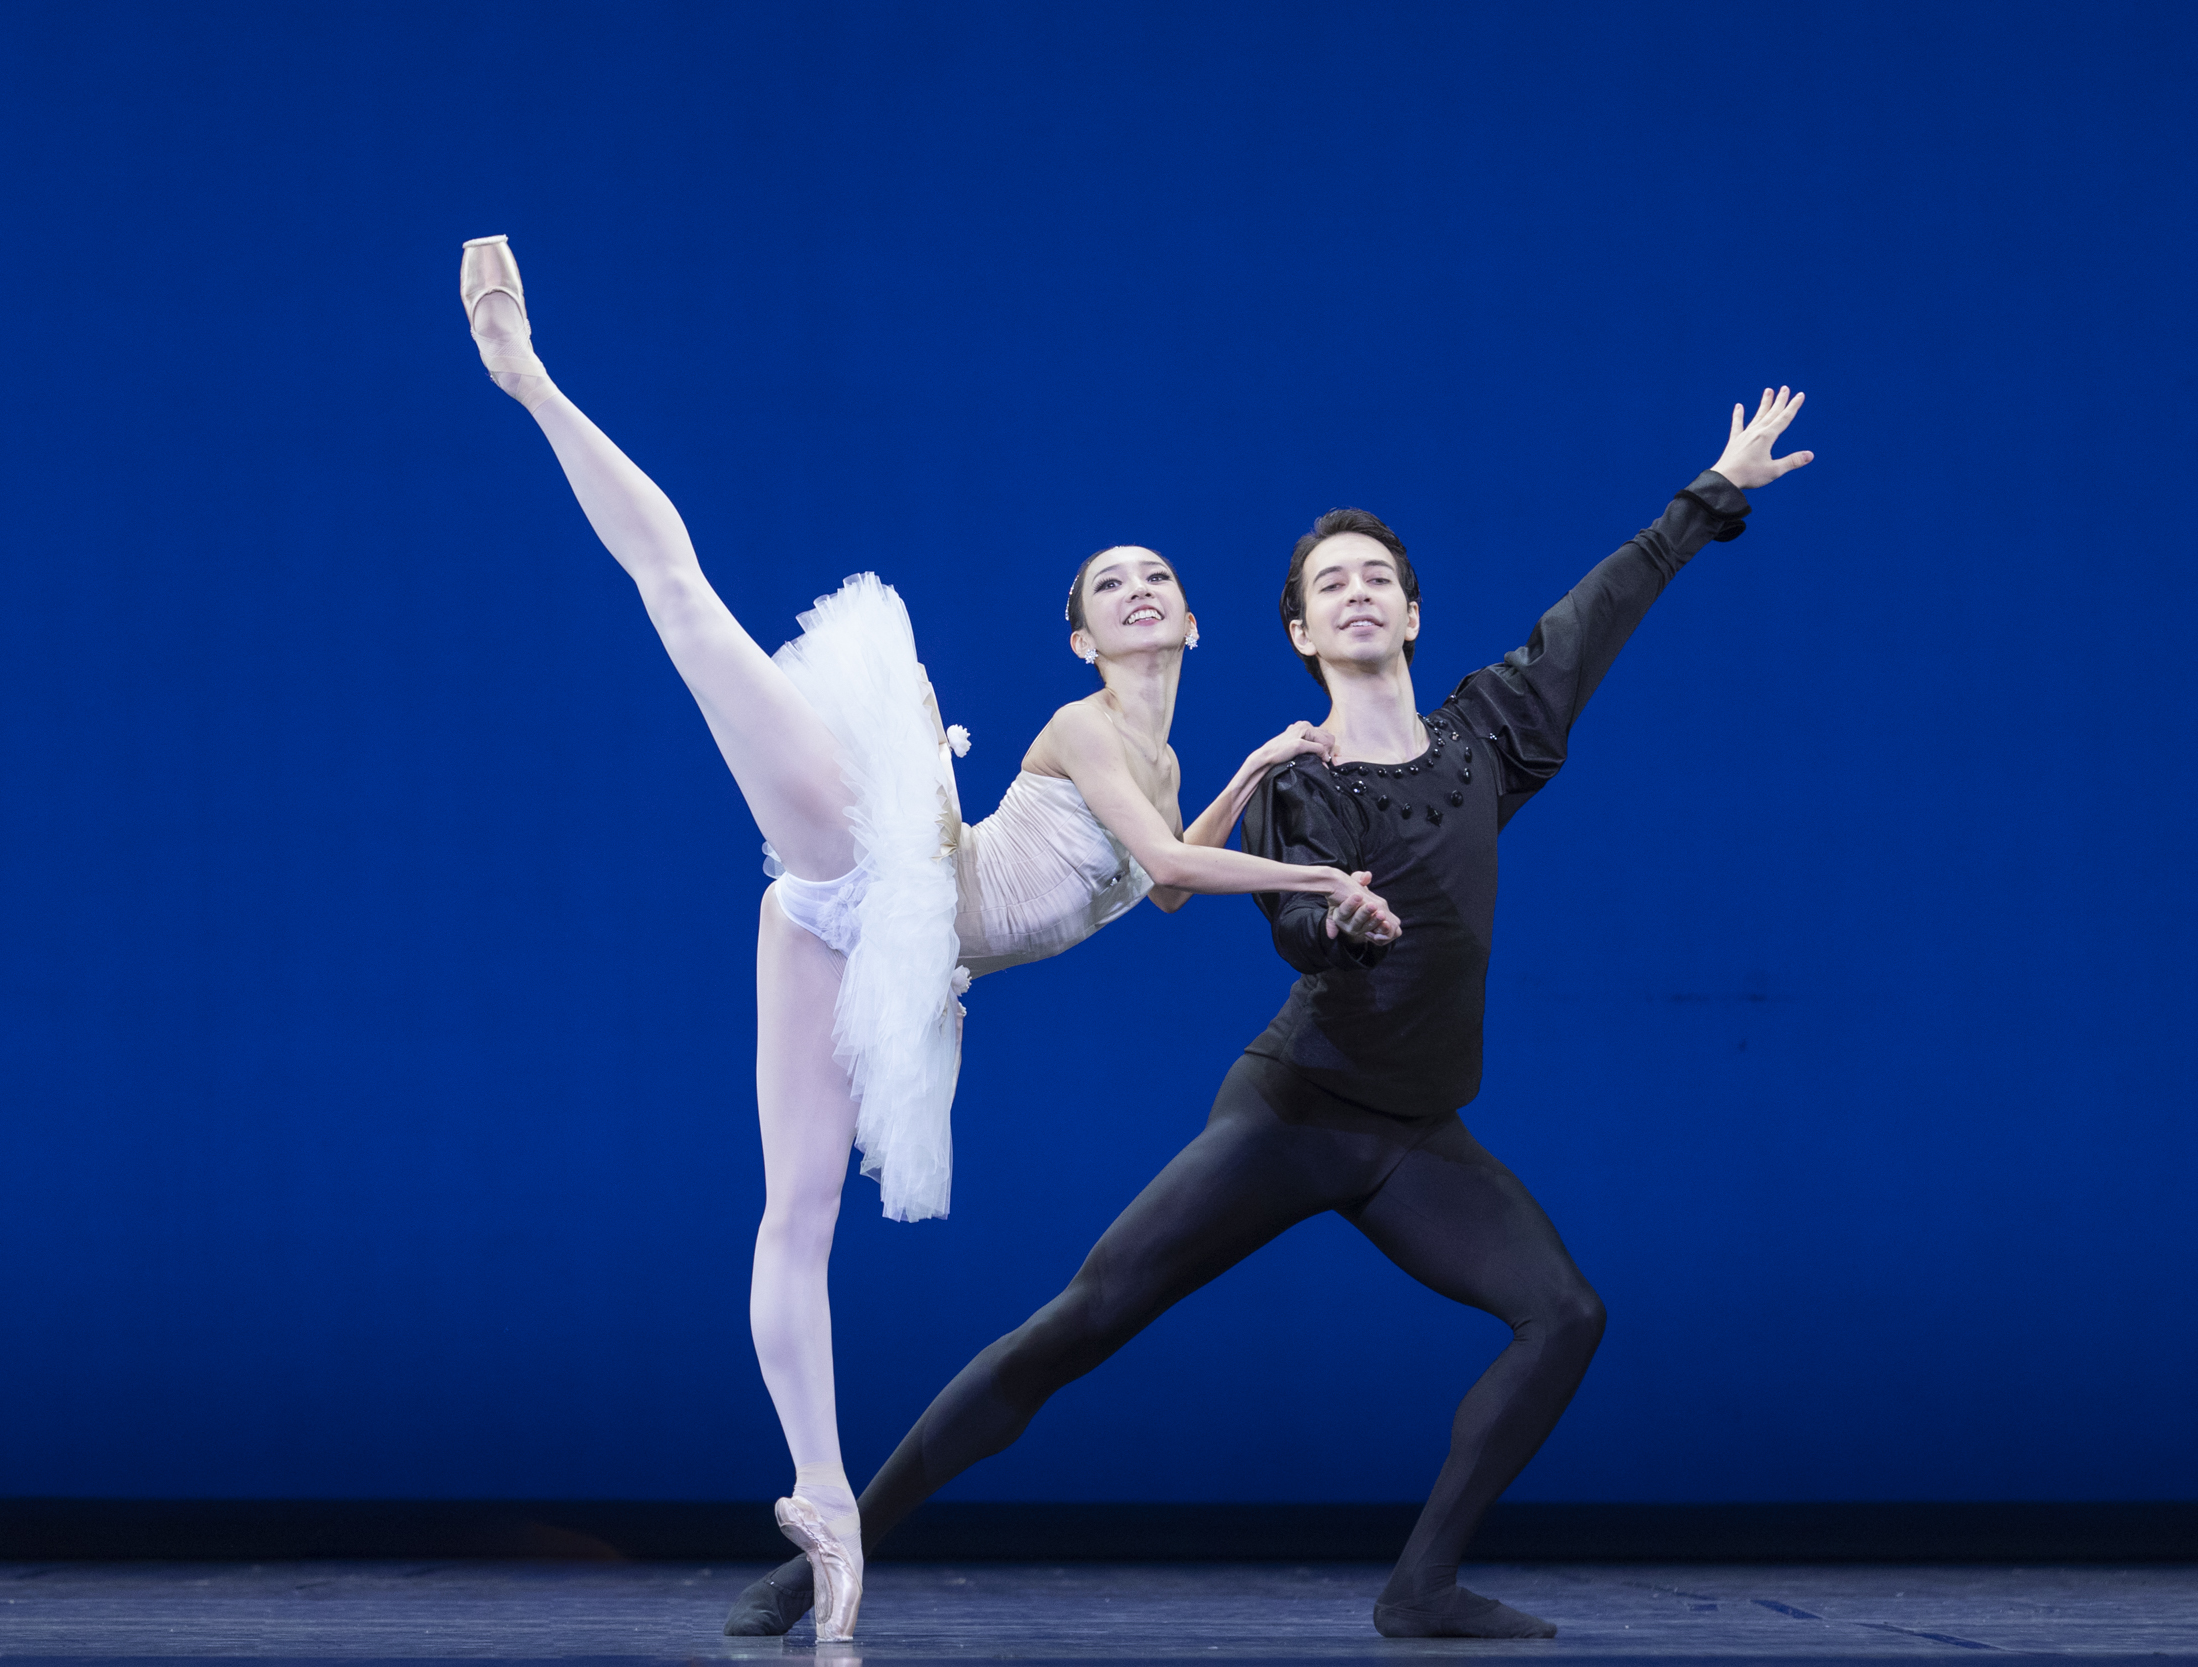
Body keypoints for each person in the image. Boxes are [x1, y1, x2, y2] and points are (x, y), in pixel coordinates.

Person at [725, 390, 1813, 1642]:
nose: (1357, 594)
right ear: (1299, 629)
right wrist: (1330, 922)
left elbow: (1596, 613)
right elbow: (1285, 918)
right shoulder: (1298, 775)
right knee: (1076, 1325)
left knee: (1566, 1314)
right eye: (1330, 585)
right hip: (1293, 1108)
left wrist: (1711, 490)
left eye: (1378, 579)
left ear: (1412, 613)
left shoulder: (1488, 738)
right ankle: (826, 1554)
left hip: (1416, 1134)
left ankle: (1420, 1586)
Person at [456, 235, 1399, 1642]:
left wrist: (1257, 767)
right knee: (690, 610)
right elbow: (1160, 861)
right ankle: (529, 379)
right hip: (888, 853)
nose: (1139, 590)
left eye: (1158, 579)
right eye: (1108, 586)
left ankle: (824, 1496)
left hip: (879, 944)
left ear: (1195, 619)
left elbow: (1171, 886)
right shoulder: (1088, 727)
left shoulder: (1166, 748)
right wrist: (1319, 870)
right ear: (1080, 638)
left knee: (800, 1214)